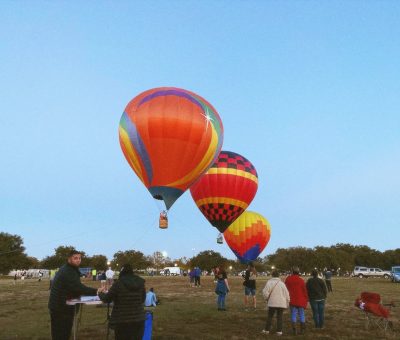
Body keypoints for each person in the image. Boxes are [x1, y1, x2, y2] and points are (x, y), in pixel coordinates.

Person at [48, 250, 99, 340]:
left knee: (61, 333)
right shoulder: (68, 271)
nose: (78, 260)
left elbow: (75, 288)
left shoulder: (70, 269)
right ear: (69, 259)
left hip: (61, 305)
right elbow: (78, 287)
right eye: (75, 258)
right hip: (61, 307)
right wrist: (97, 291)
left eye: (79, 258)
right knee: (62, 334)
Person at [98, 263, 146, 340]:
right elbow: (143, 299)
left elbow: (107, 299)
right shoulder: (140, 283)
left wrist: (100, 293)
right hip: (139, 319)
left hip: (122, 320)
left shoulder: (118, 283)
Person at [261, 270, 290, 336]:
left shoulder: (269, 282)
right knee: (280, 317)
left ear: (272, 275)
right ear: (278, 276)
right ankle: (279, 331)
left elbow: (265, 292)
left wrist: (267, 299)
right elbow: (287, 294)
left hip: (272, 302)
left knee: (270, 316)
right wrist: (288, 301)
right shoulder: (282, 284)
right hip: (281, 303)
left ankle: (266, 330)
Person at [285, 266, 308, 335]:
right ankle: (302, 329)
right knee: (301, 314)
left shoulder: (288, 279)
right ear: (298, 272)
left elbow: (286, 288)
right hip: (300, 300)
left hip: (292, 299)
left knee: (293, 314)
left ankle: (294, 328)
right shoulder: (301, 280)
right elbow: (304, 291)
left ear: (292, 272)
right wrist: (306, 298)